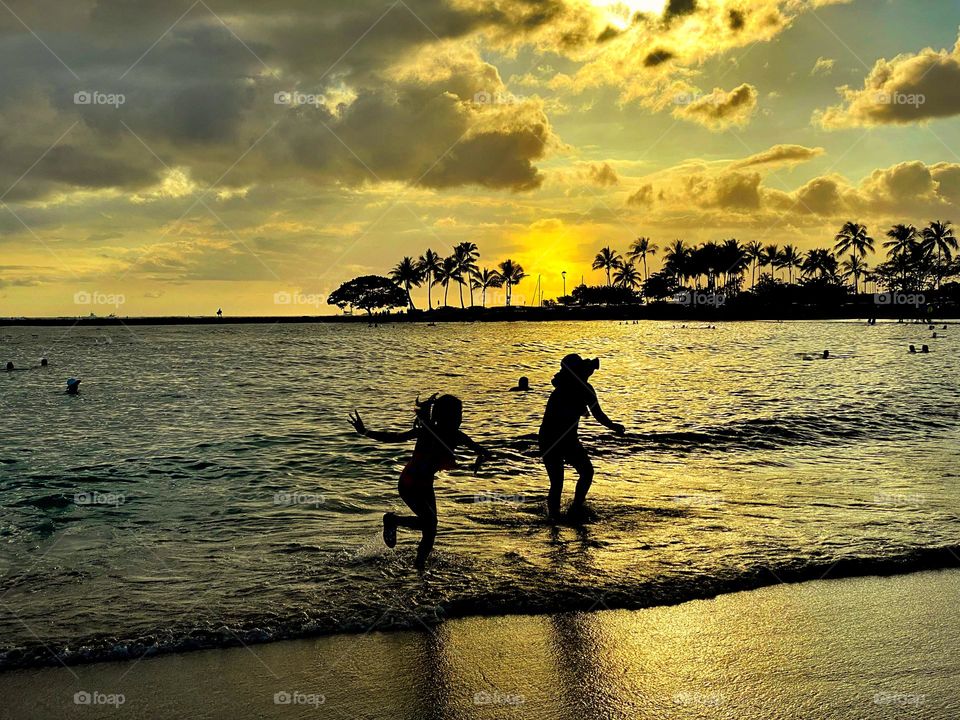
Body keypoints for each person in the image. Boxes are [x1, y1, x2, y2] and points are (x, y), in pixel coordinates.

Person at [349, 394, 489, 571]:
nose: (460, 418)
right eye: (456, 414)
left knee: (431, 528)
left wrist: (481, 458)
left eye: (461, 414)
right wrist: (365, 432)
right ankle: (393, 520)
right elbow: (394, 437)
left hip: (425, 486)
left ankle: (419, 564)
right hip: (409, 483)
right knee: (429, 522)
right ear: (444, 416)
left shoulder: (457, 436)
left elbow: (482, 451)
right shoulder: (426, 431)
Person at [538, 354, 624, 521]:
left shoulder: (587, 389)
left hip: (569, 440)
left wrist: (613, 426)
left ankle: (576, 508)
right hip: (550, 439)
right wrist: (576, 409)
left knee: (587, 472)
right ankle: (553, 519)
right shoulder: (560, 391)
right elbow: (557, 416)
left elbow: (598, 414)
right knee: (557, 482)